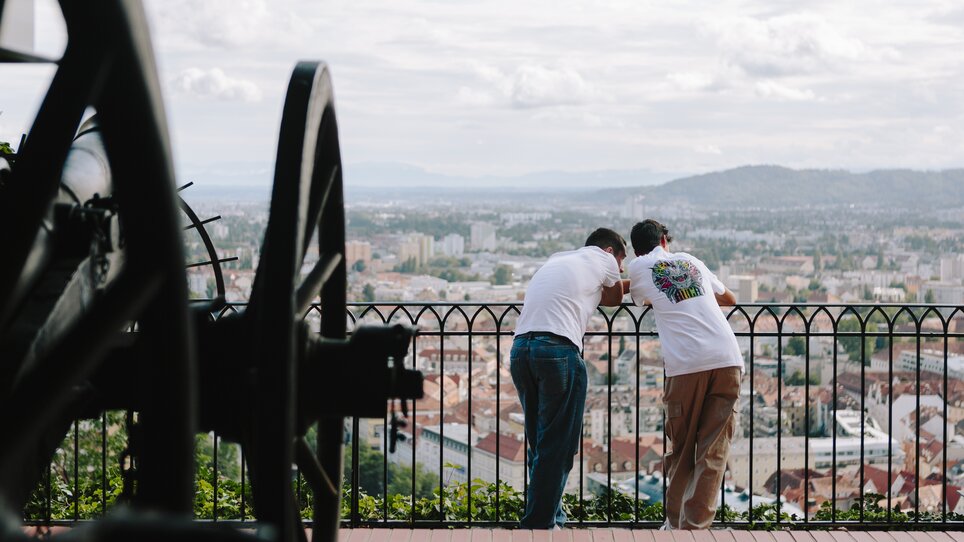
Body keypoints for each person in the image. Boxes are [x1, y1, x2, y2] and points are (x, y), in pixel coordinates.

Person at [626, 219, 743, 530]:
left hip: (687, 365)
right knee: (713, 450)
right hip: (727, 359)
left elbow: (632, 294)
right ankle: (696, 526)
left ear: (636, 250)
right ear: (665, 240)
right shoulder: (691, 261)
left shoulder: (638, 268)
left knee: (682, 447)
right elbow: (729, 299)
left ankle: (676, 525)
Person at [510, 228, 629, 530]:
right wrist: (637, 284)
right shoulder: (604, 260)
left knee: (540, 441)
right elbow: (614, 299)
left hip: (521, 347)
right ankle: (538, 525)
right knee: (559, 445)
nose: (622, 267)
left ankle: (552, 518)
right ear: (611, 251)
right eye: (622, 260)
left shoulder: (559, 258)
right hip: (558, 349)